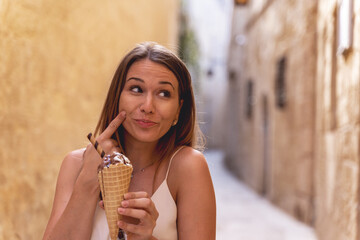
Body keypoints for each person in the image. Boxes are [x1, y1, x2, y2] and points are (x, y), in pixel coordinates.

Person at [42, 42, 216, 240]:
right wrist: (87, 182)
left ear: (178, 109)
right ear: (117, 97)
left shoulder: (188, 167)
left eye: (163, 93)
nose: (148, 106)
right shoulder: (75, 165)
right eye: (136, 89)